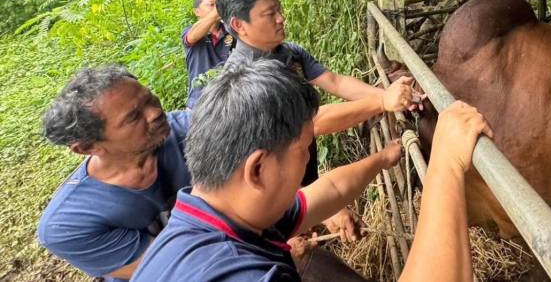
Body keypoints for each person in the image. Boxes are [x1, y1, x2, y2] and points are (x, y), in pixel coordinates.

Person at [132, 60, 492, 282]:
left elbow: (328, 192)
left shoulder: (211, 216)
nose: (308, 160)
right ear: (257, 168)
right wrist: (446, 162)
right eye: (304, 149)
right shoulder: (244, 274)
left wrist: (384, 158)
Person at [215, 0, 421, 239]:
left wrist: (393, 95)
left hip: (297, 175)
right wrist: (382, 101)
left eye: (279, 9)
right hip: (269, 201)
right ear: (239, 25)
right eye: (269, 14)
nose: (281, 18)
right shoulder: (247, 81)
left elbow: (335, 82)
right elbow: (313, 125)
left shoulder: (288, 52)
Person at [37, 66, 190, 281]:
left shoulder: (191, 131)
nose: (155, 112)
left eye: (149, 99)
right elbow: (177, 267)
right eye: (133, 117)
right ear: (88, 147)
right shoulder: (68, 225)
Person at [182, 0, 232, 108]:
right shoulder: (191, 31)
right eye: (211, 4)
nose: (217, 7)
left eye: (219, 4)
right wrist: (217, 10)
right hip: (200, 101)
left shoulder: (232, 30)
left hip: (229, 99)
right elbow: (192, 37)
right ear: (197, 11)